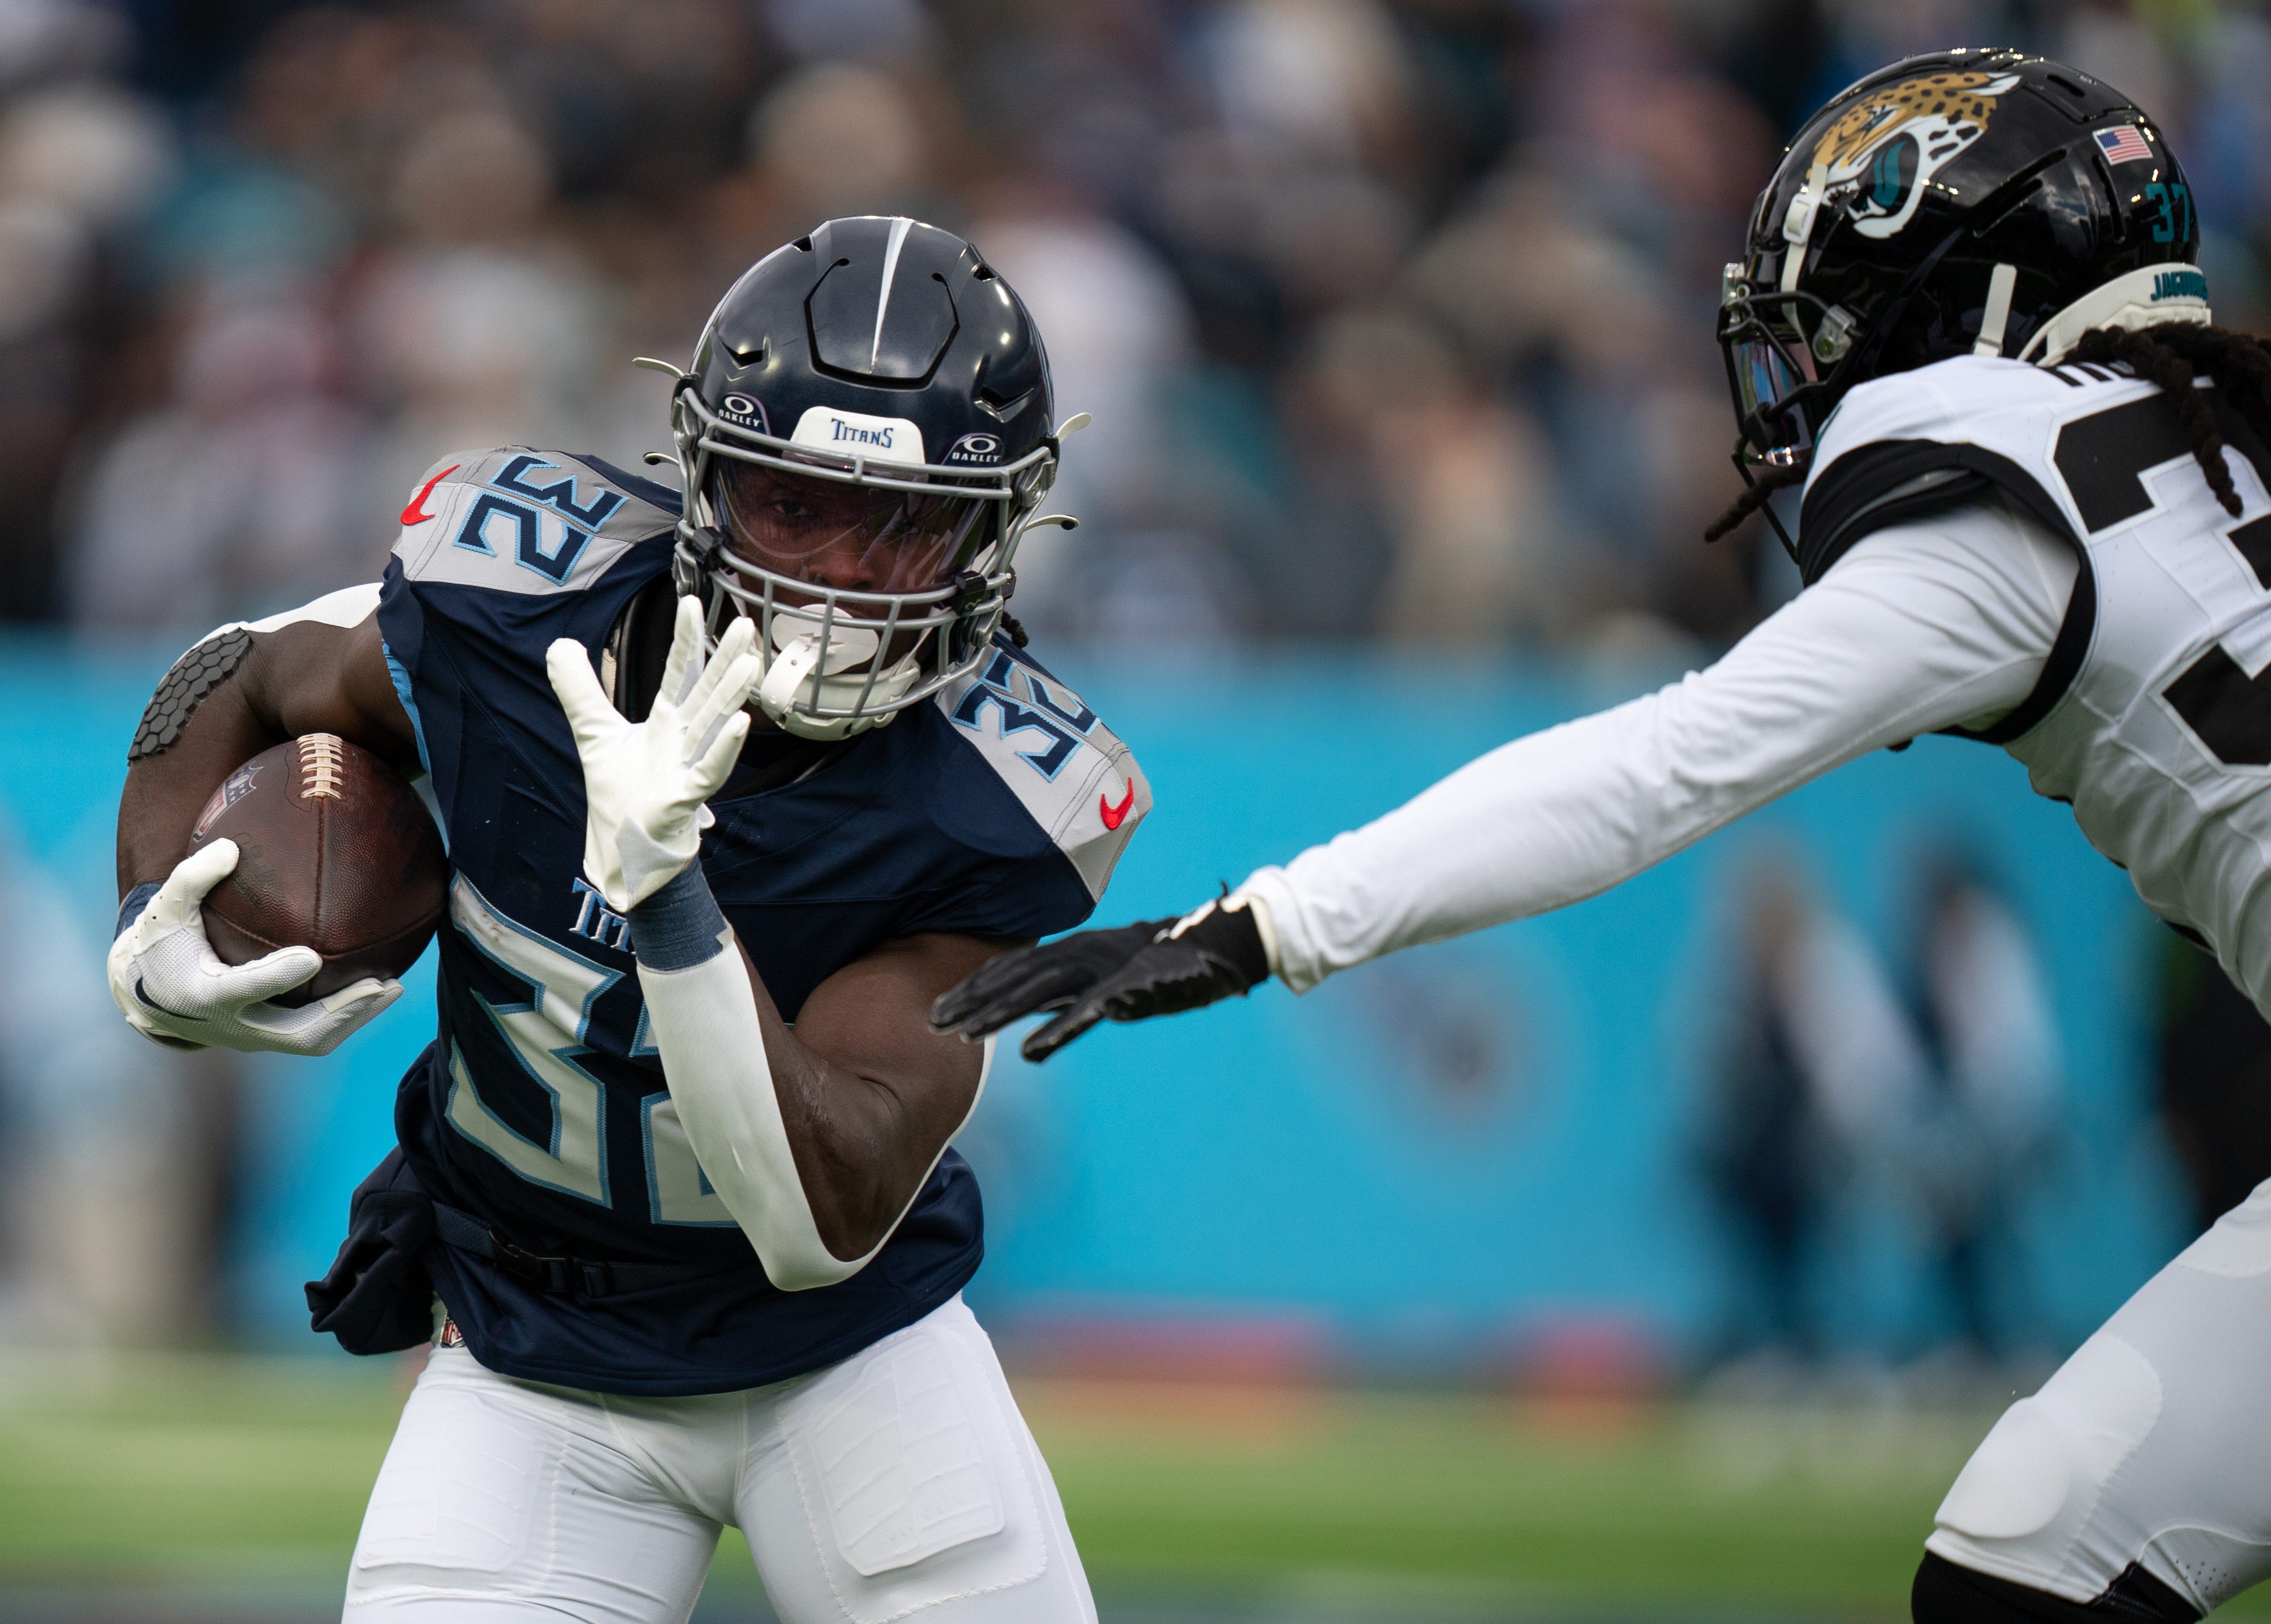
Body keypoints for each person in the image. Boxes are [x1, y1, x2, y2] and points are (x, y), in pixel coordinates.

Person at [934, 51, 2271, 1623]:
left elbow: (1658, 767)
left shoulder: (2002, 488)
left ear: (1960, 296)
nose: (1815, 374)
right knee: (2029, 1561)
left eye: (1840, 318)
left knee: (2029, 1568)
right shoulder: (2214, 427)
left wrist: (1263, 924)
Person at [106, 216, 1146, 1623]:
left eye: (905, 526)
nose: (834, 576)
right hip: (532, 1353)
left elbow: (814, 1221)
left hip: (848, 1360)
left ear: (998, 535)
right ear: (704, 479)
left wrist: (670, 896)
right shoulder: (523, 598)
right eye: (794, 504)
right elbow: (238, 667)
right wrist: (152, 906)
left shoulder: (999, 793)